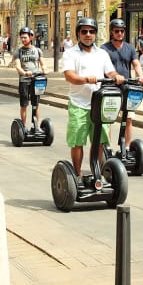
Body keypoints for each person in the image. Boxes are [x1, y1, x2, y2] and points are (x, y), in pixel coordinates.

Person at [62, 17, 124, 183]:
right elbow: (69, 75)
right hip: (78, 104)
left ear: (95, 34)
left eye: (91, 31)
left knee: (99, 142)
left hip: (99, 104)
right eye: (84, 31)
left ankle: (95, 173)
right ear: (78, 34)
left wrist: (116, 76)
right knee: (77, 142)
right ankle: (77, 175)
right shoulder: (70, 53)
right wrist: (84, 79)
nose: (88, 35)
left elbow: (109, 72)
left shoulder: (102, 54)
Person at [101, 18, 143, 149]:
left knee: (129, 118)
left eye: (122, 31)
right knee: (108, 119)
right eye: (116, 31)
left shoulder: (130, 48)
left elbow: (136, 63)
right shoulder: (104, 49)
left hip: (126, 88)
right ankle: (107, 147)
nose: (119, 33)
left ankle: (126, 147)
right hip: (110, 88)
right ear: (111, 32)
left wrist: (141, 76)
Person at [11, 27, 48, 132]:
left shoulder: (37, 50)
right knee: (24, 104)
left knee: (36, 104)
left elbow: (43, 64)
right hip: (24, 80)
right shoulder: (18, 51)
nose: (23, 39)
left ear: (31, 37)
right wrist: (24, 73)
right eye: (21, 37)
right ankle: (23, 127)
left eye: (25, 37)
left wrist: (45, 69)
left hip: (36, 80)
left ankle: (37, 126)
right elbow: (17, 66)